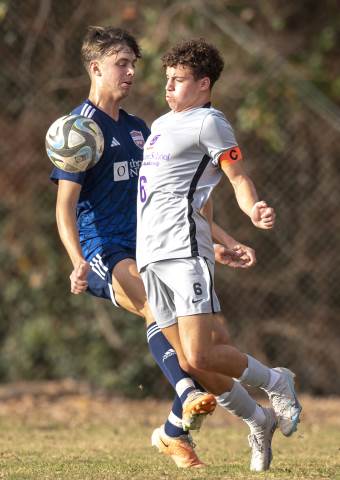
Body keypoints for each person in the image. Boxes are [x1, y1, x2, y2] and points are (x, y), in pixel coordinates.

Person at [49, 26, 259, 470]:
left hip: (154, 245)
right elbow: (64, 207)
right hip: (107, 250)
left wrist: (222, 241)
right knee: (153, 306)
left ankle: (174, 432)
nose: (130, 73)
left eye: (132, 64)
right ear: (95, 68)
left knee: (202, 347)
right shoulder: (78, 131)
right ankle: (186, 395)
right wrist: (77, 261)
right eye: (121, 64)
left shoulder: (142, 129)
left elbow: (173, 198)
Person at [136, 38, 302, 472]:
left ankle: (277, 381)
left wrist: (253, 208)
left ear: (204, 83)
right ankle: (258, 419)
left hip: (182, 249)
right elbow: (191, 193)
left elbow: (235, 176)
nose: (169, 87)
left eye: (179, 80)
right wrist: (225, 241)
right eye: (167, 79)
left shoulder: (210, 122)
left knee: (203, 354)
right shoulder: (158, 125)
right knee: (191, 364)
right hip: (150, 254)